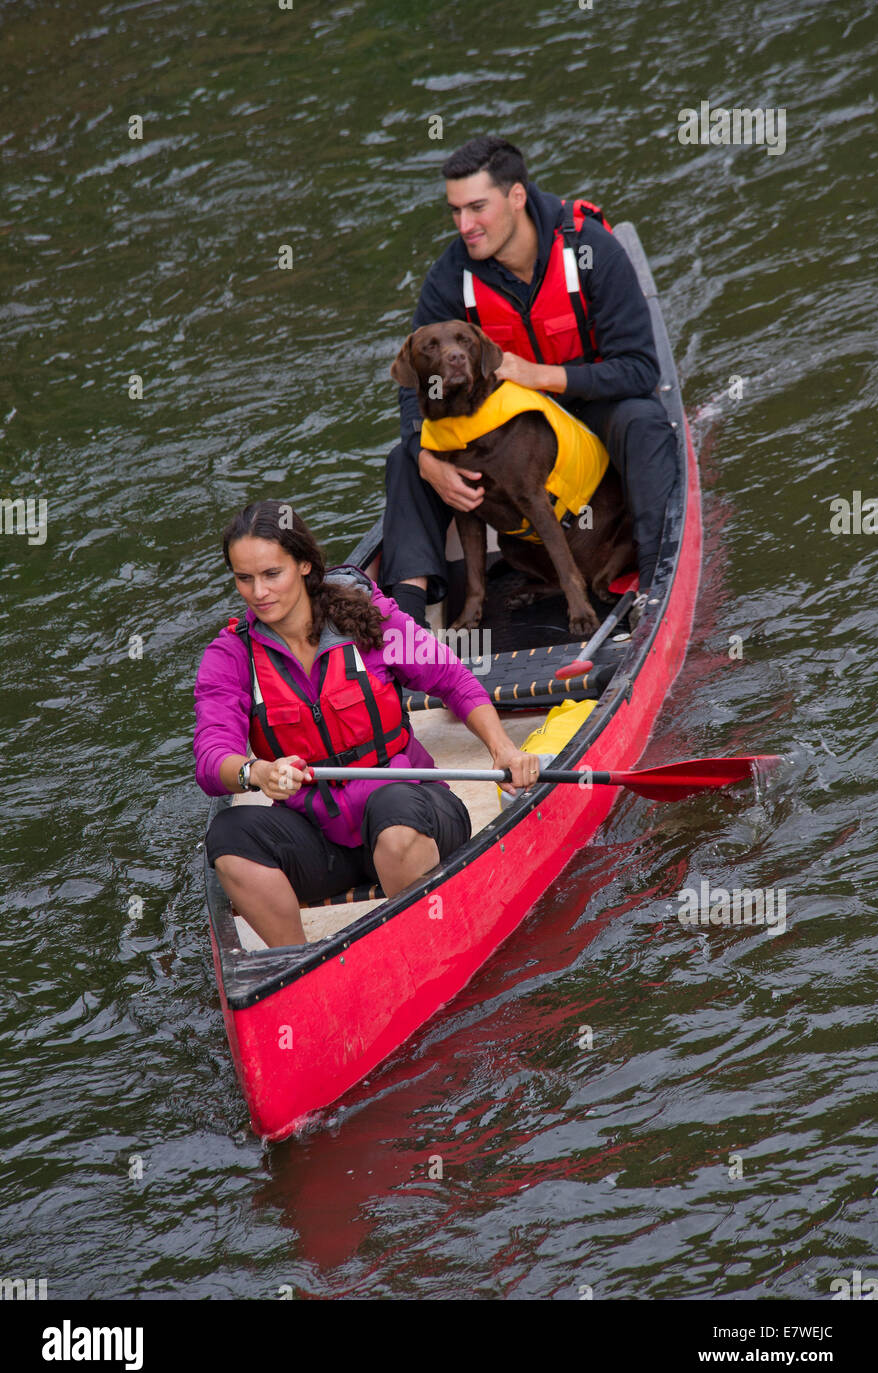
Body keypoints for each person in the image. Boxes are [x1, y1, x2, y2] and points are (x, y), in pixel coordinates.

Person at [194, 500, 540, 948]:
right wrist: (253, 772)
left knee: (395, 815)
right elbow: (211, 757)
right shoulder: (231, 656)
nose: (258, 592)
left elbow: (453, 681)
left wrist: (503, 750)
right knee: (228, 836)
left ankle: (420, 947)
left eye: (271, 574)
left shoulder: (366, 619)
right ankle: (298, 968)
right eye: (245, 579)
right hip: (321, 840)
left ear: (303, 565)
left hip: (414, 812)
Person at [381, 135, 678, 626]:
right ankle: (407, 621)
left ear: (517, 196)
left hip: (591, 405)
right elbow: (413, 389)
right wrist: (425, 456)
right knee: (404, 460)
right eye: (455, 211)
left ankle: (655, 581)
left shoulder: (591, 250)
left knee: (642, 419)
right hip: (507, 428)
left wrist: (542, 376)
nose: (464, 226)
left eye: (477, 207)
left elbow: (641, 370)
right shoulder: (449, 276)